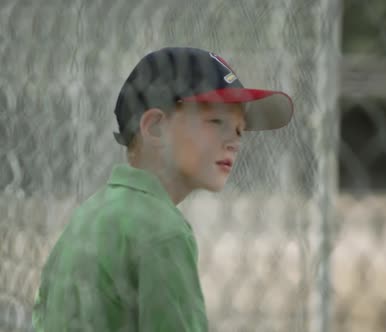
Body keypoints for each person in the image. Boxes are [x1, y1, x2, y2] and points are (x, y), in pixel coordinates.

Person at [32, 47, 293, 331]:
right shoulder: (163, 231)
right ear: (155, 128)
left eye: (240, 129)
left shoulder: (92, 214)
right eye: (216, 121)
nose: (234, 141)